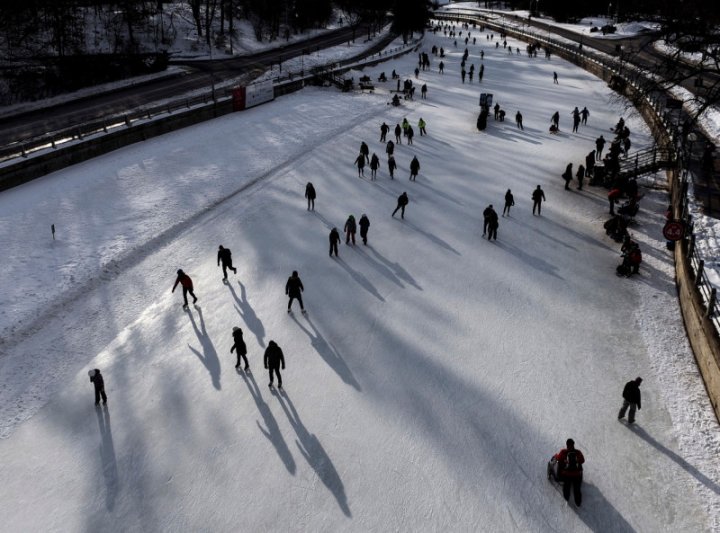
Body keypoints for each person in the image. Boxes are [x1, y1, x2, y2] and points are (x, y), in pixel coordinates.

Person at [554, 439, 585, 506]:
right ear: (573, 444)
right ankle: (578, 503)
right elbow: (582, 460)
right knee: (577, 489)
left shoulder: (563, 452)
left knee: (566, 486)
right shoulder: (578, 452)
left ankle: (567, 498)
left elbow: (558, 459)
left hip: (566, 475)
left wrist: (556, 456)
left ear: (567, 445)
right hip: (577, 475)